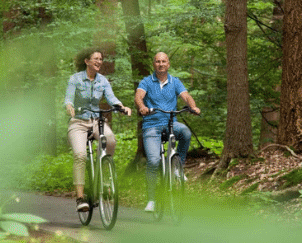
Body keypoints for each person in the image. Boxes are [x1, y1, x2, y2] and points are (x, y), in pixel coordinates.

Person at [64, 50, 132, 212]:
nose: (99, 61)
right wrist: (69, 106)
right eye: (96, 58)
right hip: (78, 122)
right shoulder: (75, 79)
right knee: (80, 155)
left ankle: (103, 176)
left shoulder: (103, 81)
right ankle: (80, 198)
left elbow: (111, 98)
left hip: (96, 121)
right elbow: (68, 98)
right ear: (87, 61)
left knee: (110, 140)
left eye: (101, 59)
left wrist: (122, 107)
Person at [134, 52, 201, 213]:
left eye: (164, 61)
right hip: (151, 126)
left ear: (168, 64)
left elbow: (186, 96)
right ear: (154, 64)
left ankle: (178, 166)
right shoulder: (146, 81)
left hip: (171, 123)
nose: (161, 64)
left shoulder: (175, 82)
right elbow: (139, 97)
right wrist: (142, 107)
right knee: (154, 161)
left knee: (185, 132)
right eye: (158, 61)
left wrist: (193, 106)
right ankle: (151, 200)